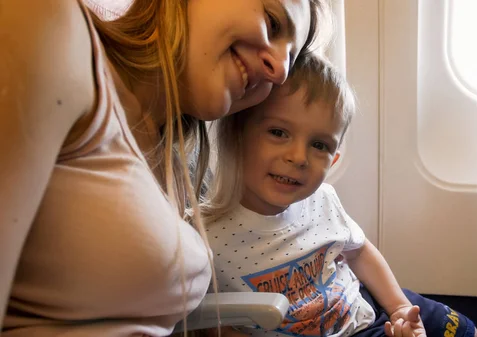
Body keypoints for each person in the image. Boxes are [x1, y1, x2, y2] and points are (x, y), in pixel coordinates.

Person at [0, 0, 323, 335]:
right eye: (272, 23)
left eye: (291, 57)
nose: (281, 71)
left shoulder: (173, 162)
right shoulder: (48, 25)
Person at [202, 55, 477, 337]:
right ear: (237, 137)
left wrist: (399, 309)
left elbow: (359, 251)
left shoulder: (322, 198)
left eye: (319, 145)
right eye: (278, 132)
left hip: (358, 302)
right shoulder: (204, 235)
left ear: (332, 161)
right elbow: (211, 322)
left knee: (466, 332)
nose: (299, 157)